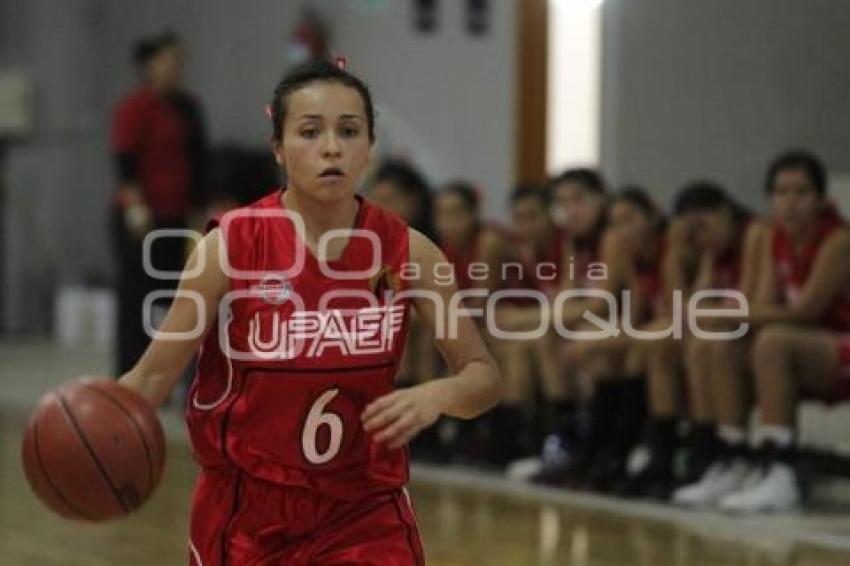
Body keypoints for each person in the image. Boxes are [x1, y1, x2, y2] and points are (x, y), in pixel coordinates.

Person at [118, 60, 503, 564]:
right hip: (246, 511)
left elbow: (484, 375)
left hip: (365, 508)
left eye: (349, 131)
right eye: (309, 131)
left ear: (370, 147)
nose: (331, 147)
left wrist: (440, 394)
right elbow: (152, 379)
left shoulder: (411, 251)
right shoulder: (229, 245)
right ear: (278, 148)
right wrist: (87, 420)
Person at [673, 150, 850, 512]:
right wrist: (724, 321)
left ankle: (781, 470)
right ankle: (735, 459)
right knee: (720, 345)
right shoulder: (775, 238)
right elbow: (764, 303)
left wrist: (724, 315)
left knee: (772, 341)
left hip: (835, 341)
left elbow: (804, 312)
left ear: (820, 199)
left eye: (801, 192)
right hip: (809, 345)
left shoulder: (838, 240)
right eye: (781, 192)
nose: (790, 202)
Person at [618, 182, 767, 499]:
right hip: (727, 331)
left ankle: (723, 456)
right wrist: (683, 255)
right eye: (691, 231)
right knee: (661, 344)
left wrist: (697, 312)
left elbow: (748, 304)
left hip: (758, 333)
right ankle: (667, 457)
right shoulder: (709, 252)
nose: (700, 236)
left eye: (703, 225)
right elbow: (684, 308)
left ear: (726, 211)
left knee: (698, 345)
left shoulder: (756, 234)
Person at [111, 30, 208, 375]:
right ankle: (130, 372)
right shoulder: (135, 107)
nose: (176, 67)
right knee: (138, 297)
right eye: (169, 60)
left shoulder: (188, 108)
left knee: (178, 296)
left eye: (180, 61)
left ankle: (169, 374)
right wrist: (135, 208)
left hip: (178, 214)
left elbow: (198, 162)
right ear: (150, 65)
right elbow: (125, 162)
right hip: (144, 216)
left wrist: (199, 214)